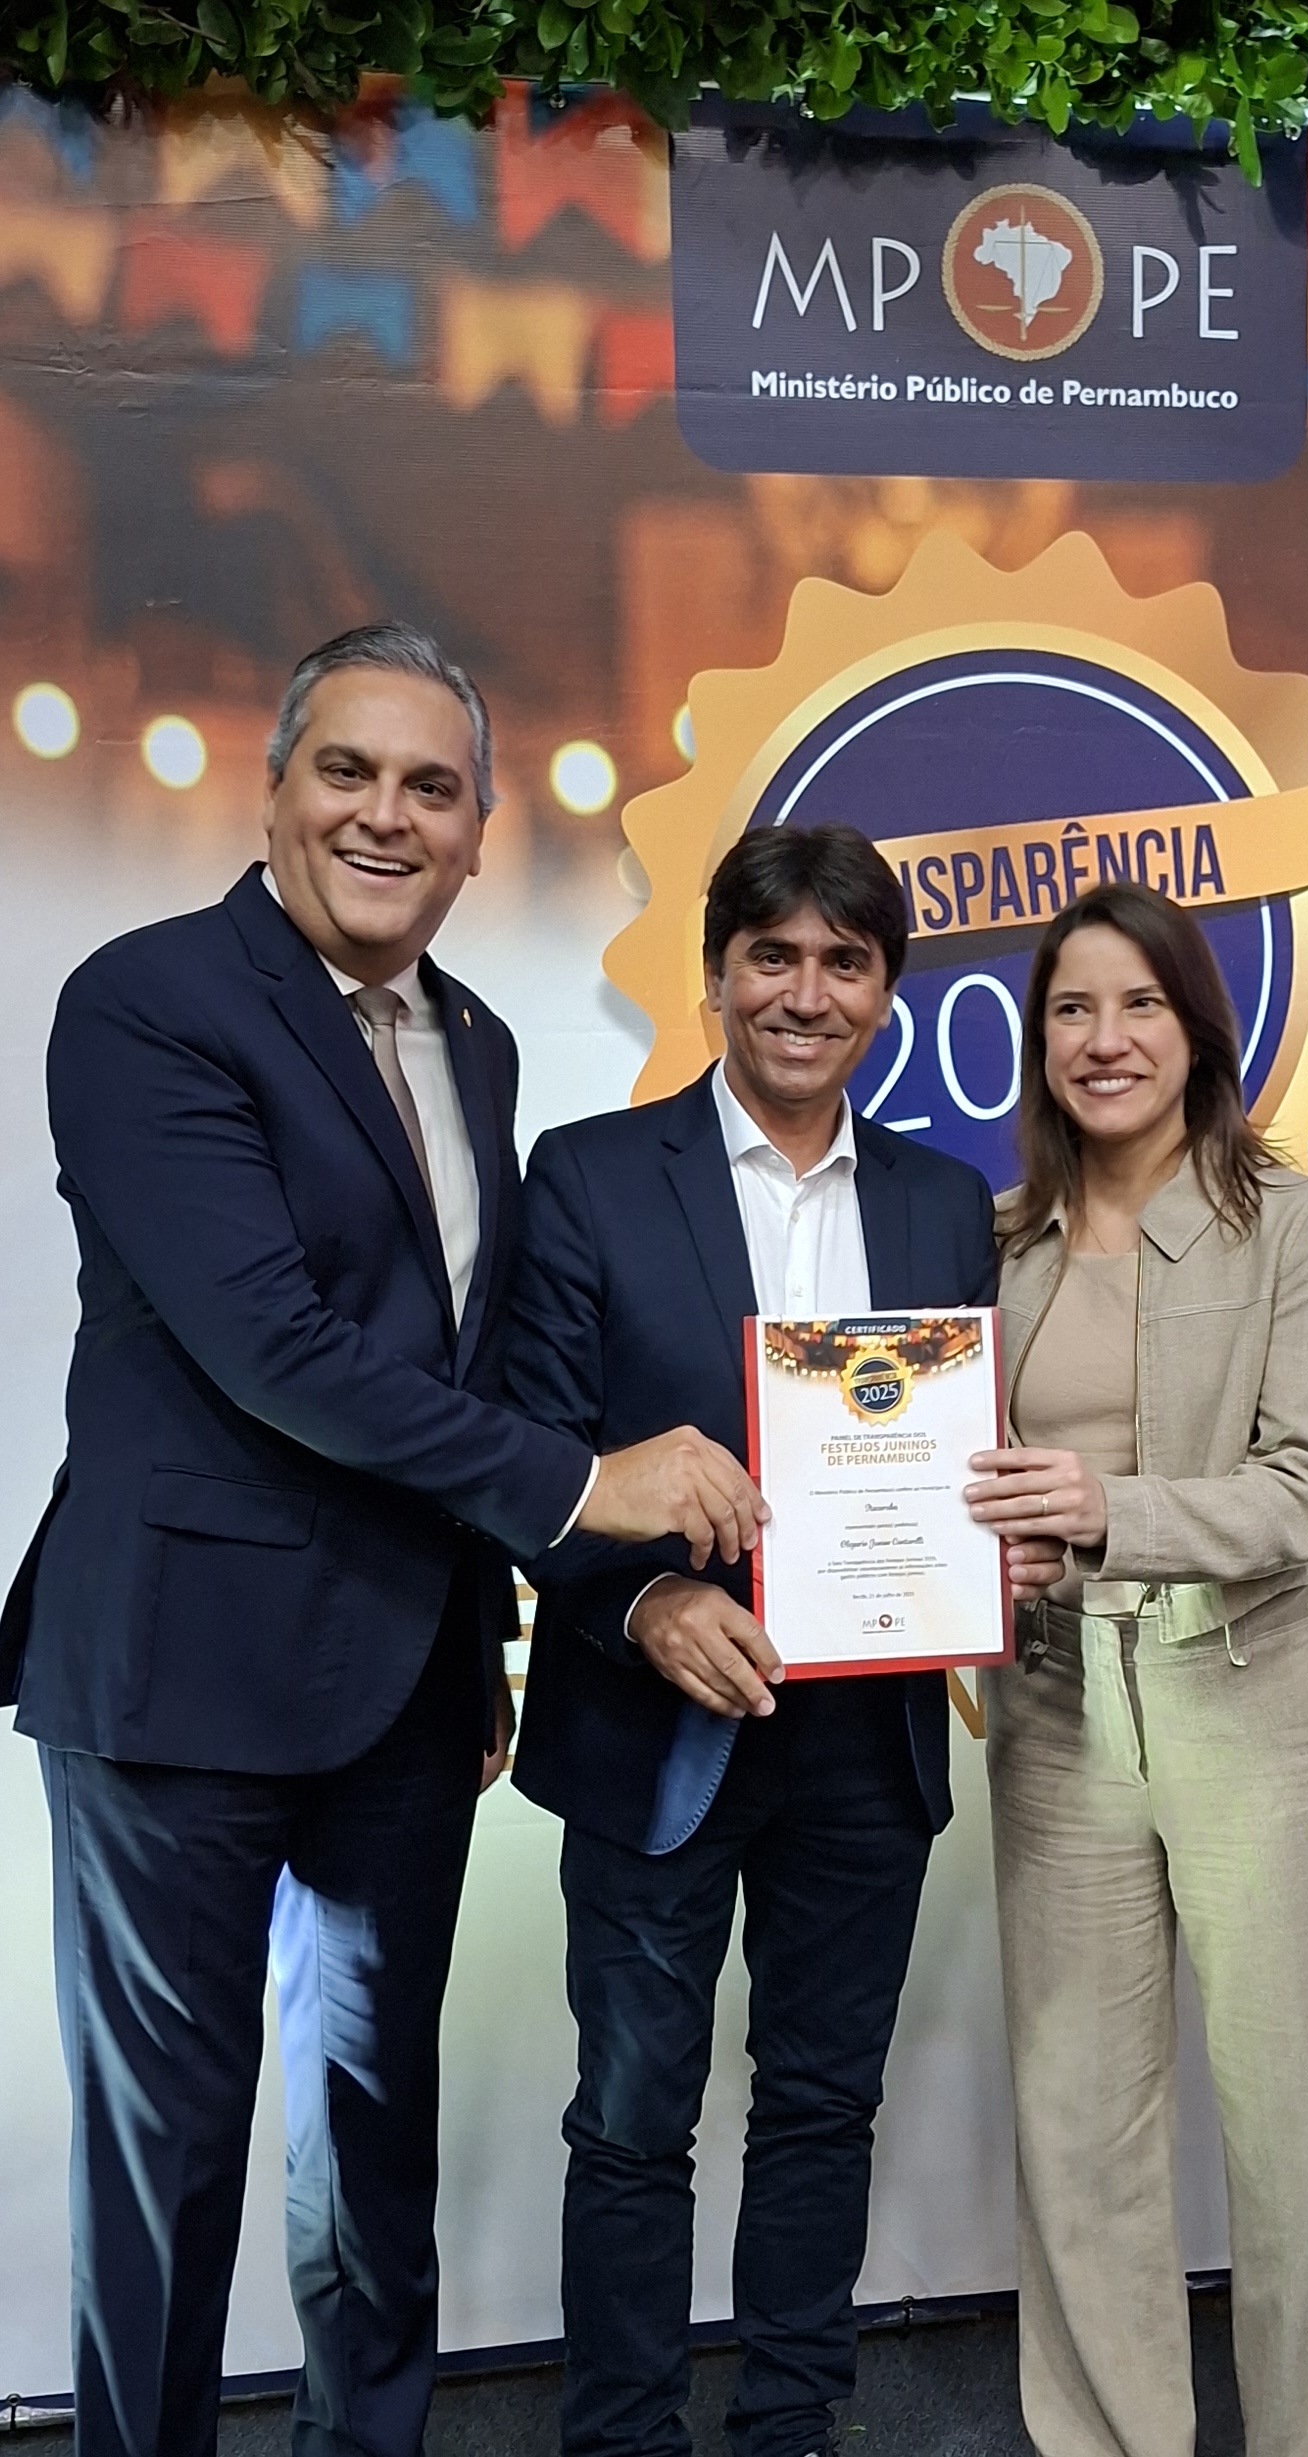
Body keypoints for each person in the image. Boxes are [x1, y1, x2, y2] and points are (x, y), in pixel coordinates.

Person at [0, 622, 762, 2457]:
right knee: (170, 2163)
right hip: (177, 1677)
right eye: (346, 770)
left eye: (433, 786)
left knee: (369, 2148)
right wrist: (586, 1487)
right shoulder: (148, 999)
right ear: (274, 789)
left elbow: (452, 1356)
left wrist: (480, 1625)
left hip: (404, 1685)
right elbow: (274, 1347)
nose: (385, 815)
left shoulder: (476, 1042)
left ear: (482, 831)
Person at [503, 823, 1062, 2457]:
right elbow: (526, 1450)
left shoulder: (944, 1201)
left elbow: (956, 1458)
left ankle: (792, 2419)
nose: (804, 994)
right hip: (651, 1723)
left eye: (843, 962)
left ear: (884, 992)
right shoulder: (589, 1177)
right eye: (772, 957)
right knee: (632, 2115)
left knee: (823, 2101)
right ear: (716, 975)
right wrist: (642, 1599)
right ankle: (622, 2432)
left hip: (866, 1735)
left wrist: (988, 1555)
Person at [962, 880, 1308, 2457]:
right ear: (1035, 1041)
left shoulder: (1296, 1225)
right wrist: (986, 1561)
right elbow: (955, 1484)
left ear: (1198, 1029)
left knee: (1306, 2147)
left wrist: (1105, 1514)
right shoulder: (994, 1240)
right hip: (1052, 1711)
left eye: (1139, 1003)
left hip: (1257, 1702)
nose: (1105, 1038)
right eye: (1071, 1009)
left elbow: (1307, 1490)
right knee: (1078, 2135)